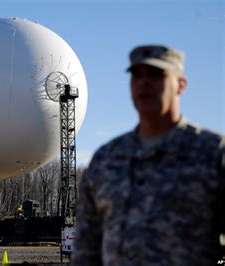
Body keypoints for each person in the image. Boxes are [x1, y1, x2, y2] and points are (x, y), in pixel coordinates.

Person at [72, 45, 224, 265]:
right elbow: (86, 250)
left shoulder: (212, 153)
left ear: (181, 85)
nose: (144, 82)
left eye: (156, 74)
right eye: (136, 75)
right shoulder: (106, 160)